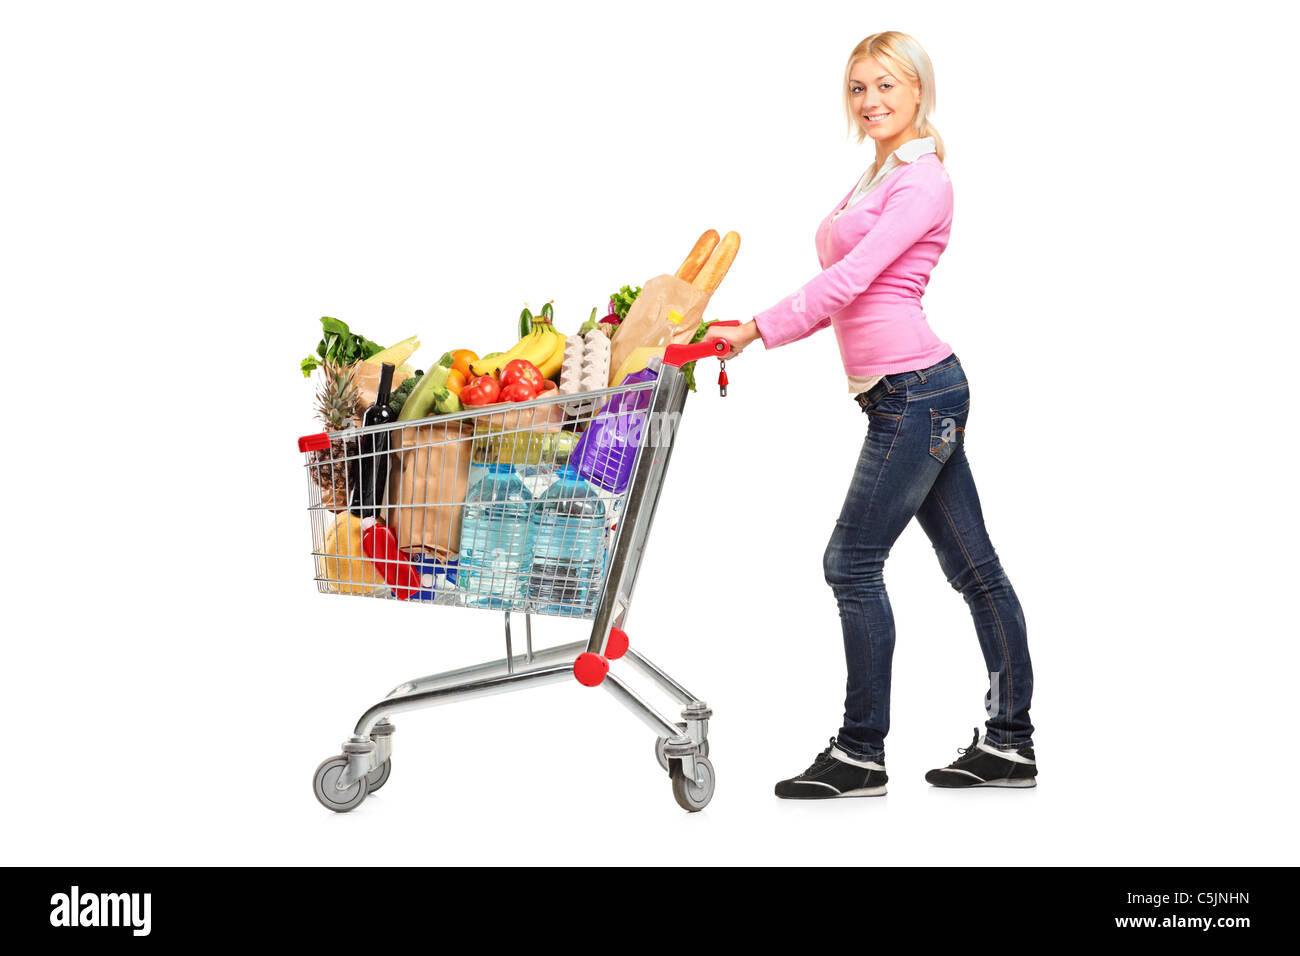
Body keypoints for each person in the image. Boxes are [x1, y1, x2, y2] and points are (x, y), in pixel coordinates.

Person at [705, 31, 1037, 798]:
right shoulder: (875, 175)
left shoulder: (923, 181)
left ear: (919, 91)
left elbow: (853, 278)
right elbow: (842, 291)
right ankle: (1011, 745)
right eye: (858, 87)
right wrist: (746, 331)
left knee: (851, 562)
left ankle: (860, 752)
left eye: (887, 84)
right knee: (974, 568)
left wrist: (758, 330)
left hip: (915, 391)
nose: (872, 99)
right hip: (908, 392)